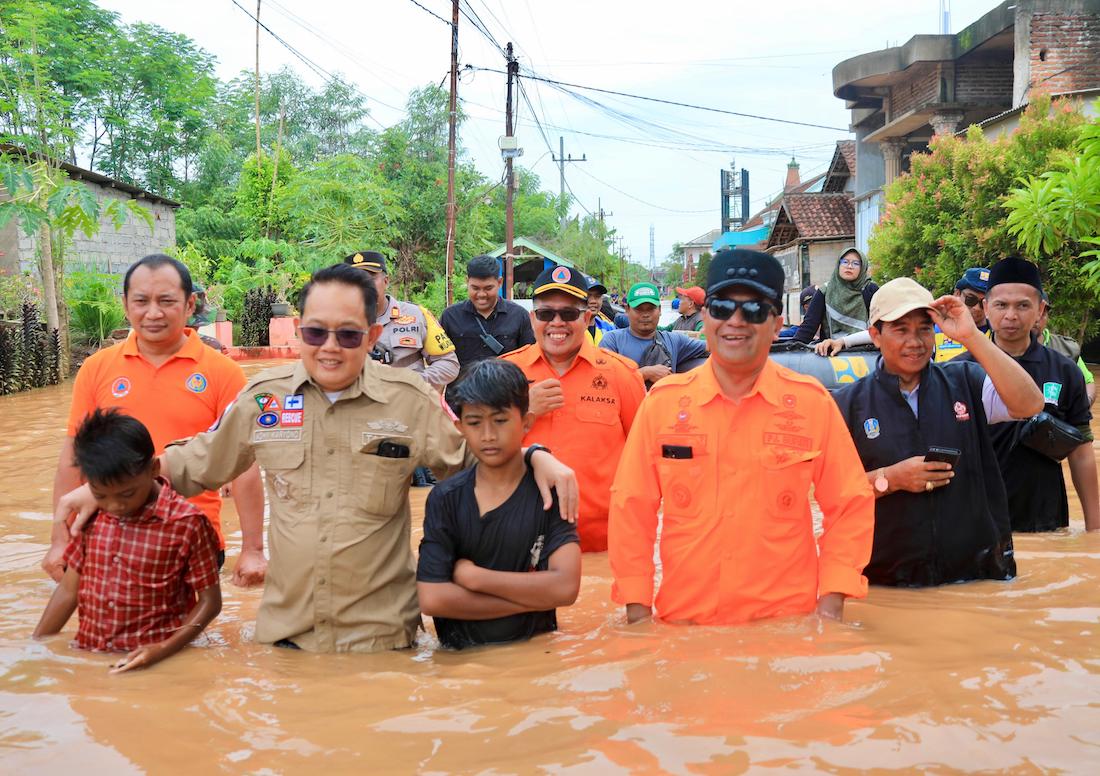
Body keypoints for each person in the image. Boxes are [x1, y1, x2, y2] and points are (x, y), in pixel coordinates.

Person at [55, 263, 579, 653]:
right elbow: (195, 461)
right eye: (315, 332)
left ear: (373, 336)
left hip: (382, 640)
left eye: (348, 334)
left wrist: (536, 455)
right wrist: (95, 489)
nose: (330, 347)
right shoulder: (263, 400)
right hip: (287, 637)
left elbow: (477, 460)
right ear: (298, 330)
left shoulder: (409, 400)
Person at [609, 248, 875, 625]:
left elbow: (849, 503)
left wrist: (831, 606)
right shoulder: (662, 406)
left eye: (753, 310)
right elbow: (631, 508)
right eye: (721, 307)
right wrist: (637, 611)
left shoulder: (812, 404)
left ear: (776, 322)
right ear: (704, 316)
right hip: (686, 626)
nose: (735, 321)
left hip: (787, 629)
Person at [44, 254, 266, 587]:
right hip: (110, 539)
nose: (153, 313)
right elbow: (73, 460)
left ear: (190, 304)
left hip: (192, 539)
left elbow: (244, 466)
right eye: (141, 301)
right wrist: (60, 540)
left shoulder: (223, 373)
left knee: (187, 635)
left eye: (166, 301)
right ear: (125, 304)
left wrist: (253, 548)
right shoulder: (97, 369)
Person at [831, 278, 1044, 586]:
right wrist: (890, 479)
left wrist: (972, 336)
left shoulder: (966, 381)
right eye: (901, 329)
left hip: (977, 576)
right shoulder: (847, 404)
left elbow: (1030, 405)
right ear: (876, 335)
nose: (915, 341)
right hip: (886, 582)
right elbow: (832, 496)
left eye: (924, 328)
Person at [34, 409, 222, 673]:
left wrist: (163, 648)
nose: (115, 506)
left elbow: (210, 603)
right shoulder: (92, 514)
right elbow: (68, 591)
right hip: (92, 657)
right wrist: (36, 647)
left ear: (154, 468)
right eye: (101, 494)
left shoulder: (186, 523)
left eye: (127, 493)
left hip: (161, 664)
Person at [416, 359, 581, 649]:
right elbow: (432, 599)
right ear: (460, 427)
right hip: (459, 666)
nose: (488, 435)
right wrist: (532, 600)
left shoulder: (548, 492)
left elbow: (566, 588)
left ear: (527, 421)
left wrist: (477, 578)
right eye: (475, 423)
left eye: (501, 420)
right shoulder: (445, 499)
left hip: (534, 661)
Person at [503, 265, 645, 552]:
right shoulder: (504, 372)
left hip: (602, 545)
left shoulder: (622, 375)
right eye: (546, 314)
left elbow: (646, 461)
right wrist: (522, 411)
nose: (557, 323)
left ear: (588, 318)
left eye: (568, 314)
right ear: (533, 319)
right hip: (518, 541)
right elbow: (475, 454)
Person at [958, 257, 1099, 532]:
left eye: (1023, 305)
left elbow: (1081, 453)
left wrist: (1094, 530)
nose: (1011, 315)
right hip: (977, 519)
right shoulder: (959, 371)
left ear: (1040, 310)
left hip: (1045, 517)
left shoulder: (1065, 371)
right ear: (986, 307)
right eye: (1001, 305)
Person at [345, 250, 460, 486]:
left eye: (370, 277)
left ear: (385, 281)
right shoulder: (337, 322)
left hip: (414, 423)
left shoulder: (416, 316)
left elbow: (449, 364)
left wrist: (409, 383)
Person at [599, 281, 709, 388]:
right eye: (639, 309)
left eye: (651, 309)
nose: (645, 315)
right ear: (627, 310)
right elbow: (601, 381)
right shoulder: (612, 341)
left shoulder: (674, 341)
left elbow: (712, 346)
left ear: (660, 310)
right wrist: (645, 373)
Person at [440, 255, 535, 367]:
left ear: (500, 283)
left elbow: (529, 358)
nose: (481, 295)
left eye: (488, 288)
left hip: (505, 384)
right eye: (475, 288)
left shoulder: (519, 315)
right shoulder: (450, 316)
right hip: (462, 384)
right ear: (467, 282)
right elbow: (440, 359)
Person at [793, 248, 878, 344]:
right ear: (838, 264)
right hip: (831, 352)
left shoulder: (870, 289)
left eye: (856, 263)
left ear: (863, 268)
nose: (849, 266)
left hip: (866, 351)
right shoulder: (825, 291)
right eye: (845, 262)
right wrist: (793, 347)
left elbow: (880, 328)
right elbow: (809, 326)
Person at [1035, 296, 1096, 407]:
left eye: (1043, 313)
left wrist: (1083, 405)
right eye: (1032, 311)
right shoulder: (1003, 348)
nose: (1037, 318)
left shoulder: (1066, 348)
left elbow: (1088, 382)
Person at [583, 273, 616, 345]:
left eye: (597, 296)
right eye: (588, 296)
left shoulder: (608, 328)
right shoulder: (570, 328)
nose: (593, 301)